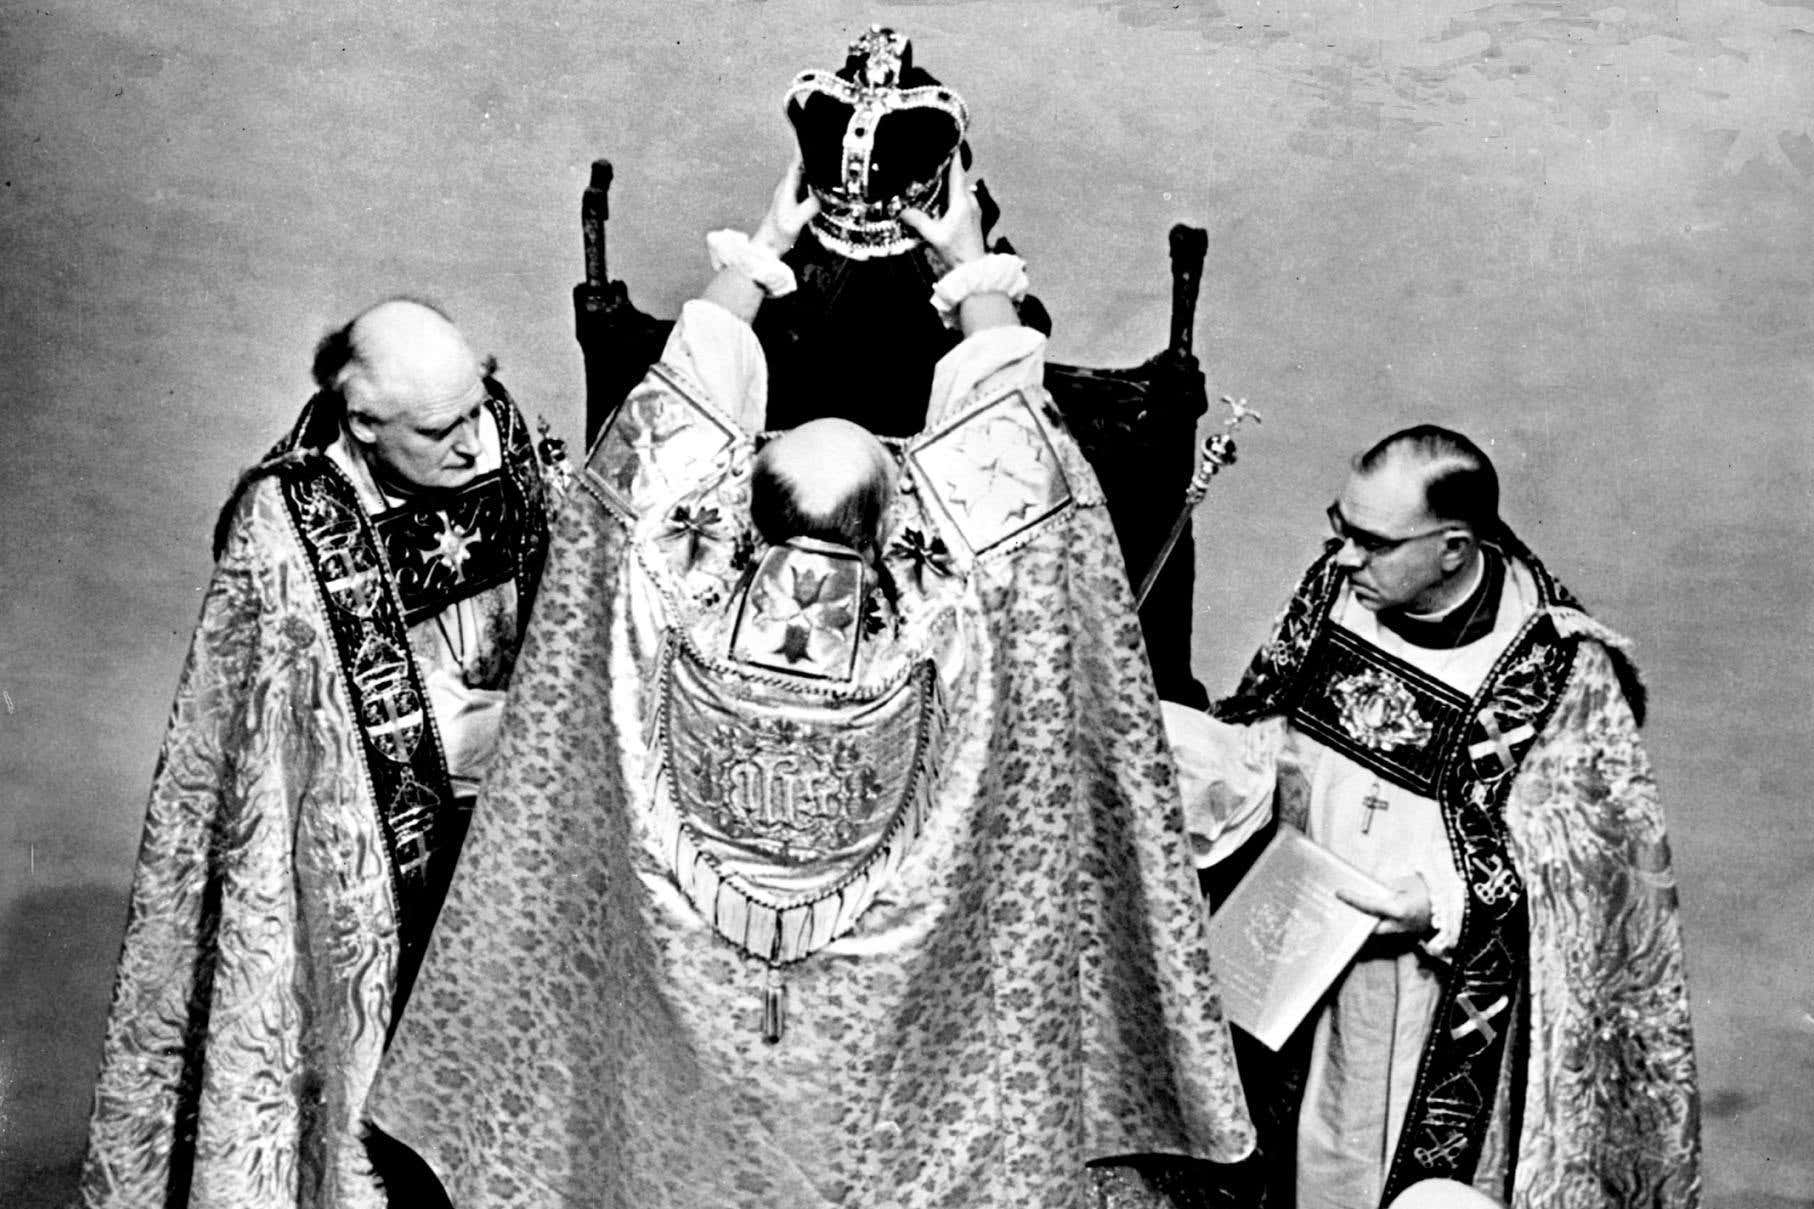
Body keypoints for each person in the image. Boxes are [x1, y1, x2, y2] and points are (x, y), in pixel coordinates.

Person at [364, 156, 1255, 1209]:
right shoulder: (950, 605)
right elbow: (1011, 457)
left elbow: (671, 413)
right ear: (899, 521)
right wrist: (968, 266)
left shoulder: (667, 569)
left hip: (694, 1064)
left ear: (745, 499)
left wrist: (763, 247)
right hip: (884, 1084)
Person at [79, 299, 568, 1209]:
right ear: (365, 424)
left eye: (476, 404)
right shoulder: (286, 524)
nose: (471, 443)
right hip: (369, 867)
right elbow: (257, 741)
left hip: (513, 834)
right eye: (438, 428)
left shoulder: (506, 440)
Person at [1170, 426, 1700, 1208]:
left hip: (1439, 1001)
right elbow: (1267, 727)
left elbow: (1595, 879)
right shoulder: (1337, 590)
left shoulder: (1556, 670)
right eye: (1340, 527)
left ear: (1453, 548)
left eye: (1373, 541)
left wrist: (1445, 903)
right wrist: (1190, 754)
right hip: (1291, 953)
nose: (1345, 555)